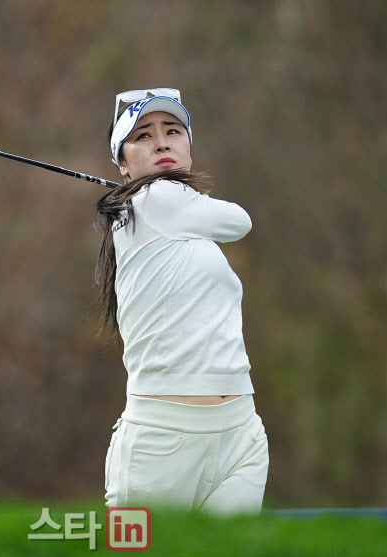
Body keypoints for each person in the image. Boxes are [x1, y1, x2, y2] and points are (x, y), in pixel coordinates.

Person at [95, 88, 268, 515]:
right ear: (122, 162)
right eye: (143, 136)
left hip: (239, 432)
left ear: (188, 145)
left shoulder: (173, 219)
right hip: (162, 440)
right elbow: (240, 221)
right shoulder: (155, 200)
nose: (161, 142)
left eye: (173, 131)